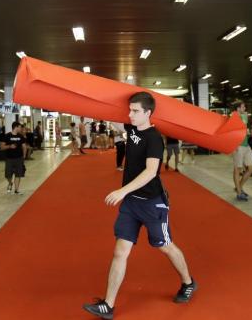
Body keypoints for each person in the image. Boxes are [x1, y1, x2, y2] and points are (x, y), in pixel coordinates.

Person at [83, 92, 196, 319]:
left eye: (135, 111)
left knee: (165, 246)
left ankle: (188, 282)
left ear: (148, 113)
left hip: (153, 204)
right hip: (132, 204)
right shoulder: (132, 128)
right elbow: (112, 116)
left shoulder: (154, 138)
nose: (130, 114)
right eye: (130, 110)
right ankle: (108, 305)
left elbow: (151, 172)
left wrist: (122, 190)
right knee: (119, 252)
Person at [232, 101, 252, 201]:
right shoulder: (234, 117)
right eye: (243, 106)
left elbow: (244, 129)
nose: (245, 108)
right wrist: (234, 144)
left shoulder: (244, 116)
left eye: (244, 106)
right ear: (237, 108)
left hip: (246, 145)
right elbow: (231, 131)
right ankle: (239, 192)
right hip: (238, 146)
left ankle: (239, 188)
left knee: (251, 168)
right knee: (238, 169)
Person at [1, 121, 27, 194]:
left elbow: (24, 146)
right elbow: (2, 147)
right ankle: (10, 183)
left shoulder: (21, 136)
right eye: (19, 127)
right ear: (16, 127)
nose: (21, 129)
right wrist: (9, 146)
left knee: (18, 174)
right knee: (8, 175)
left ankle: (16, 189)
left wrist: (24, 156)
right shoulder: (7, 136)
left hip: (19, 158)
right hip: (9, 158)